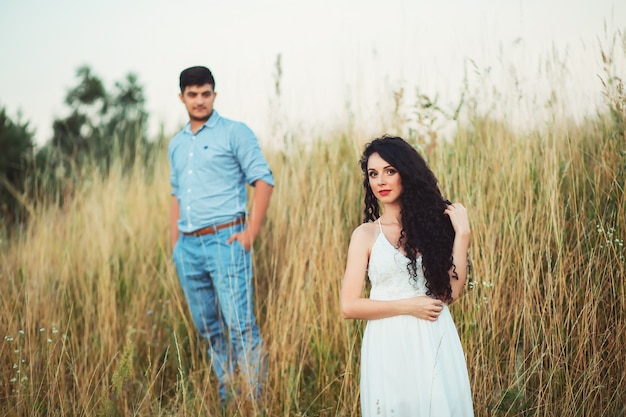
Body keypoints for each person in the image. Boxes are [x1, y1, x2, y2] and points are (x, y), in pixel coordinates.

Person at [340, 135, 474, 416]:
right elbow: (349, 306)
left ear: (407, 173)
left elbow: (449, 293)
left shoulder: (433, 227)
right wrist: (409, 306)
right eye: (373, 174)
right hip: (388, 342)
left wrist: (462, 236)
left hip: (433, 337)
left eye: (390, 171)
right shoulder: (365, 235)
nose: (381, 181)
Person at [168, 66, 274, 402]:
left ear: (214, 94)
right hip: (188, 247)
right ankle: (229, 395)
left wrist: (249, 235)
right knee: (209, 328)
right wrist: (175, 245)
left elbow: (263, 180)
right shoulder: (176, 143)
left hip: (226, 241)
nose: (199, 100)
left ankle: (255, 401)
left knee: (240, 327)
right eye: (192, 94)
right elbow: (176, 194)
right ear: (182, 97)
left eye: (206, 93)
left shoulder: (234, 133)